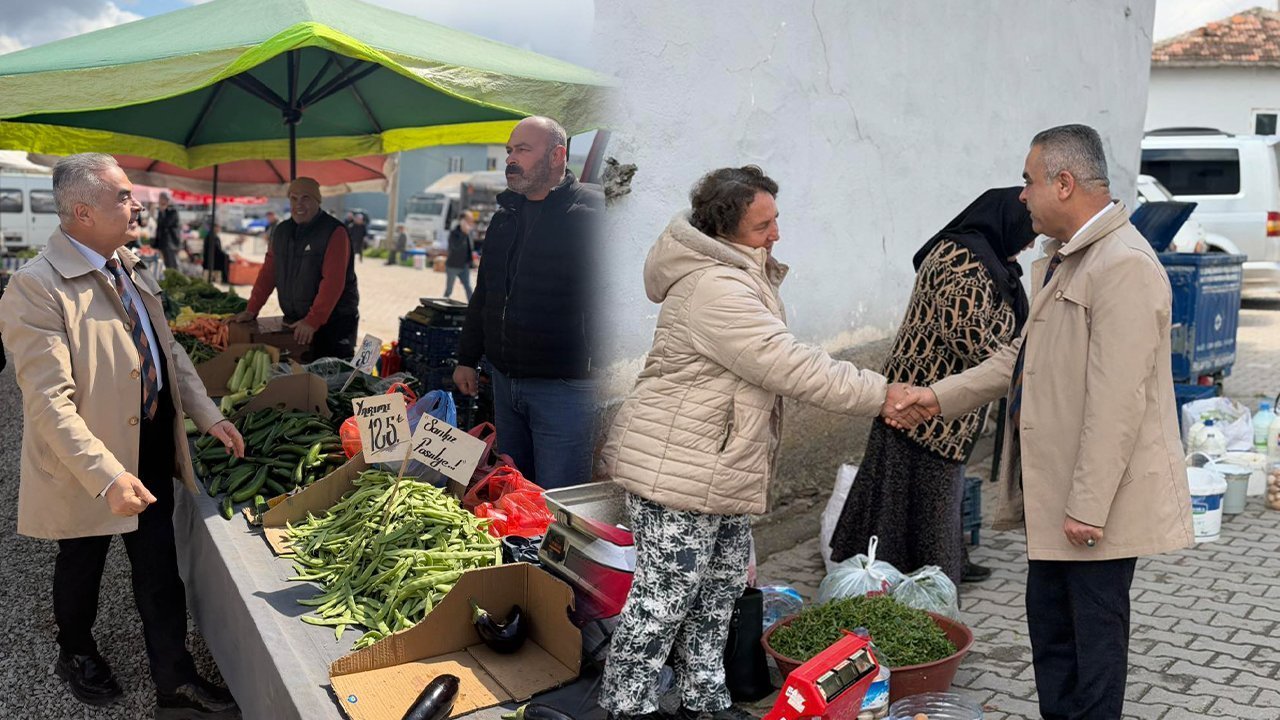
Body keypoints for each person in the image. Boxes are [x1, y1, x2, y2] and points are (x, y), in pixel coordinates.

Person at [891, 124, 1194, 719]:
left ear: (1064, 182)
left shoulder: (1124, 265)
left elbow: (1118, 401)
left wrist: (1087, 504)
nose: (1021, 194)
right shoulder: (1069, 260)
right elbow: (1019, 358)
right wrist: (935, 396)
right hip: (1055, 493)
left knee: (1091, 649)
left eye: (1029, 180)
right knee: (1053, 640)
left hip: (1093, 504)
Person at [598, 166, 921, 720]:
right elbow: (790, 364)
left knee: (719, 593)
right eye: (762, 226)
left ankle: (704, 700)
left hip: (718, 461)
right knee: (664, 599)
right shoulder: (714, 287)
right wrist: (882, 393)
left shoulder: (740, 273)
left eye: (776, 220)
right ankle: (626, 708)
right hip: (677, 466)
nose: (776, 235)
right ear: (725, 231)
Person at [0, 153, 245, 717]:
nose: (137, 205)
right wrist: (107, 473)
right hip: (91, 463)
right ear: (82, 212)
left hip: (149, 446)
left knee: (159, 568)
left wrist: (208, 413)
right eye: (123, 197)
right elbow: (47, 403)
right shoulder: (37, 288)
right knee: (81, 562)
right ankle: (76, 651)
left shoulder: (130, 264)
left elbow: (170, 351)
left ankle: (174, 679)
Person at [829, 187, 1037, 587]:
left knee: (936, 496)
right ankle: (918, 578)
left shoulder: (993, 261)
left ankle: (937, 567)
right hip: (920, 401)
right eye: (1026, 232)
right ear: (1007, 223)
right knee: (911, 499)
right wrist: (1023, 350)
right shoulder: (960, 257)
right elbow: (969, 335)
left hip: (946, 406)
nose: (1029, 244)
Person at [453, 116, 603, 489]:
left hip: (563, 390)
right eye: (509, 150)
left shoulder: (591, 216)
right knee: (513, 494)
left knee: (556, 503)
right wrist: (467, 358)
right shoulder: (505, 218)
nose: (511, 159)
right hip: (505, 384)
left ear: (557, 155)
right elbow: (484, 293)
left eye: (522, 149)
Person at [235, 177, 360, 360]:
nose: (298, 204)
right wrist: (252, 309)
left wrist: (313, 320)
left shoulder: (334, 232)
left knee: (331, 381)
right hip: (298, 322)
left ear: (317, 201)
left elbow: (333, 282)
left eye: (305, 198)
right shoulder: (281, 231)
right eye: (293, 198)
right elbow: (269, 274)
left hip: (335, 323)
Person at [444, 213, 475, 301]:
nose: (470, 223)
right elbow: (454, 248)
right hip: (453, 266)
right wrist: (464, 234)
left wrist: (472, 262)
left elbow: (470, 248)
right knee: (449, 290)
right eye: (468, 220)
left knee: (468, 288)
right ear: (462, 221)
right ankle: (441, 308)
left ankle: (473, 308)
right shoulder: (454, 233)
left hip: (464, 266)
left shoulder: (468, 233)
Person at [155, 193, 181, 270]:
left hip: (170, 242)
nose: (159, 201)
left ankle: (174, 279)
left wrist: (162, 212)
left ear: (165, 200)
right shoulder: (161, 210)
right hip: (163, 242)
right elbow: (159, 226)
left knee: (172, 264)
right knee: (166, 264)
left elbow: (166, 223)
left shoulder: (172, 210)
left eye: (160, 199)